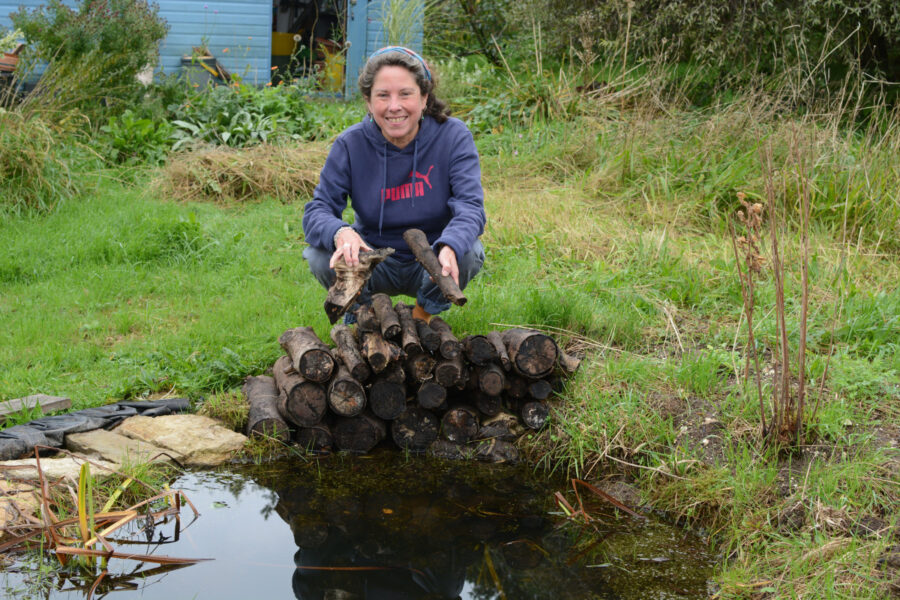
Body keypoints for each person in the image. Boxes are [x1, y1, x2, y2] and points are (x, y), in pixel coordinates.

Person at [302, 46, 486, 323]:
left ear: (424, 97)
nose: (394, 106)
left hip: (432, 260)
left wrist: (450, 245)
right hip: (372, 259)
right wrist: (340, 232)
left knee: (469, 251)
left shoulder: (453, 136)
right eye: (383, 95)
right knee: (318, 254)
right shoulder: (350, 144)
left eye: (405, 94)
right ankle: (365, 320)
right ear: (368, 101)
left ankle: (422, 319)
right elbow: (318, 209)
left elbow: (471, 207)